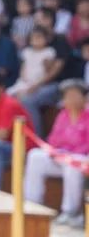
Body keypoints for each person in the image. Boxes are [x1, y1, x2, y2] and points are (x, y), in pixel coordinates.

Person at [24, 79, 89, 228]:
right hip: (60, 158)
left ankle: (70, 212)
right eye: (67, 95)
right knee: (35, 156)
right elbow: (53, 139)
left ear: (84, 98)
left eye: (74, 95)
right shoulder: (62, 115)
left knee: (74, 164)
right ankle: (32, 203)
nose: (70, 99)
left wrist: (68, 155)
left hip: (79, 161)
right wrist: (54, 151)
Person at [19, 8, 78, 136]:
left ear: (49, 20)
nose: (36, 23)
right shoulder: (33, 39)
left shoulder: (60, 40)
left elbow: (55, 71)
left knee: (28, 101)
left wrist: (35, 85)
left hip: (57, 85)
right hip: (33, 82)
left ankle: (36, 139)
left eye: (39, 20)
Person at [8, 27, 56, 100]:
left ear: (46, 39)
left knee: (23, 97)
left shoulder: (49, 51)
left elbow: (48, 71)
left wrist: (46, 62)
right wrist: (23, 79)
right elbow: (23, 67)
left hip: (39, 82)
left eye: (39, 37)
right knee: (8, 94)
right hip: (25, 81)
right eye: (34, 38)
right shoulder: (27, 51)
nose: (36, 40)